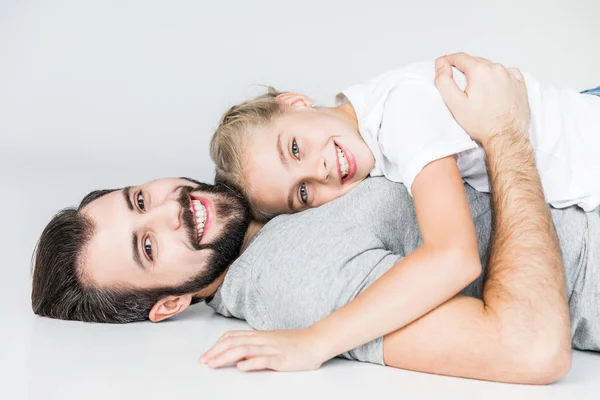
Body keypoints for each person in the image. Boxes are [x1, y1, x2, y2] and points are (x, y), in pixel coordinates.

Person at [30, 54, 596, 384]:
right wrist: (506, 133)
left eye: (138, 200)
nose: (169, 213)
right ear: (171, 303)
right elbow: (528, 347)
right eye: (148, 249)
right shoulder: (287, 279)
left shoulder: (259, 189)